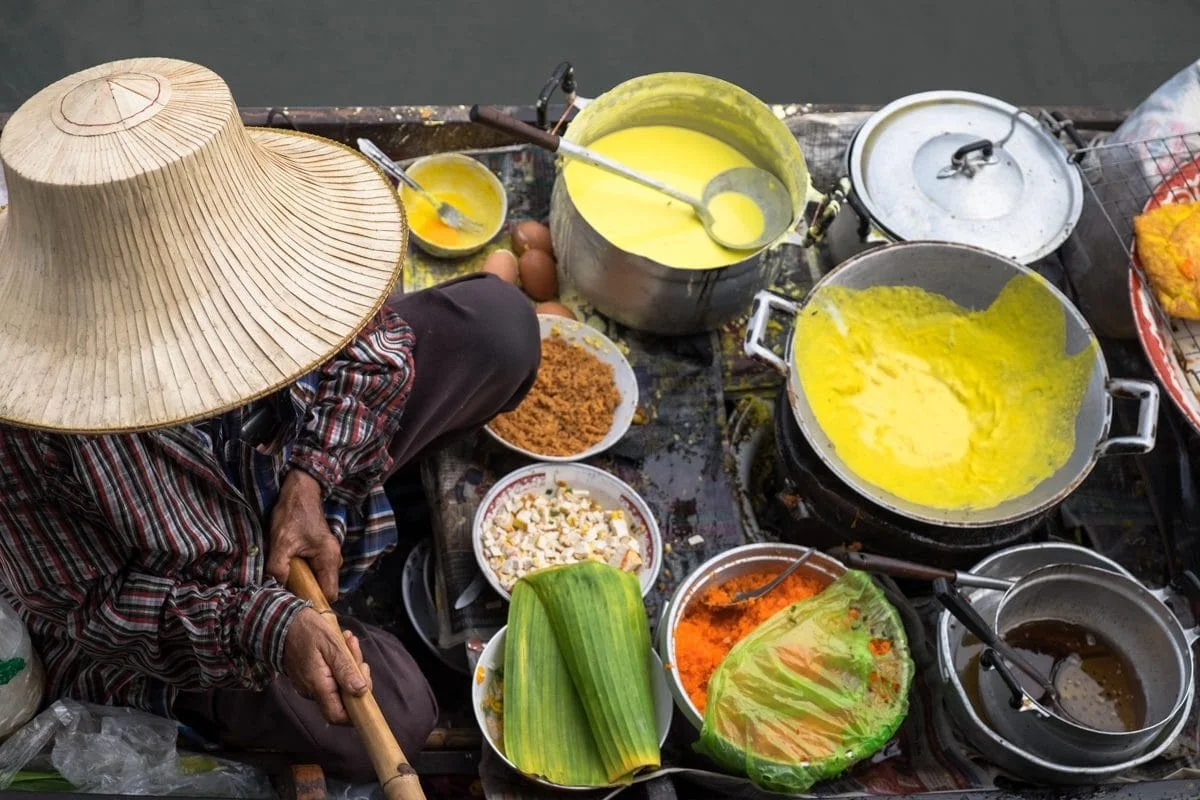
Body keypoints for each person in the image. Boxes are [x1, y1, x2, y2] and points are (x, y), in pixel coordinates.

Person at [0, 58, 538, 780]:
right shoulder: (22, 409)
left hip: (297, 476)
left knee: (498, 328)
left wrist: (312, 476)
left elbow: (372, 347)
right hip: (205, 599)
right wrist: (266, 625)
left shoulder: (277, 257)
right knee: (396, 717)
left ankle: (331, 508)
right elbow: (88, 609)